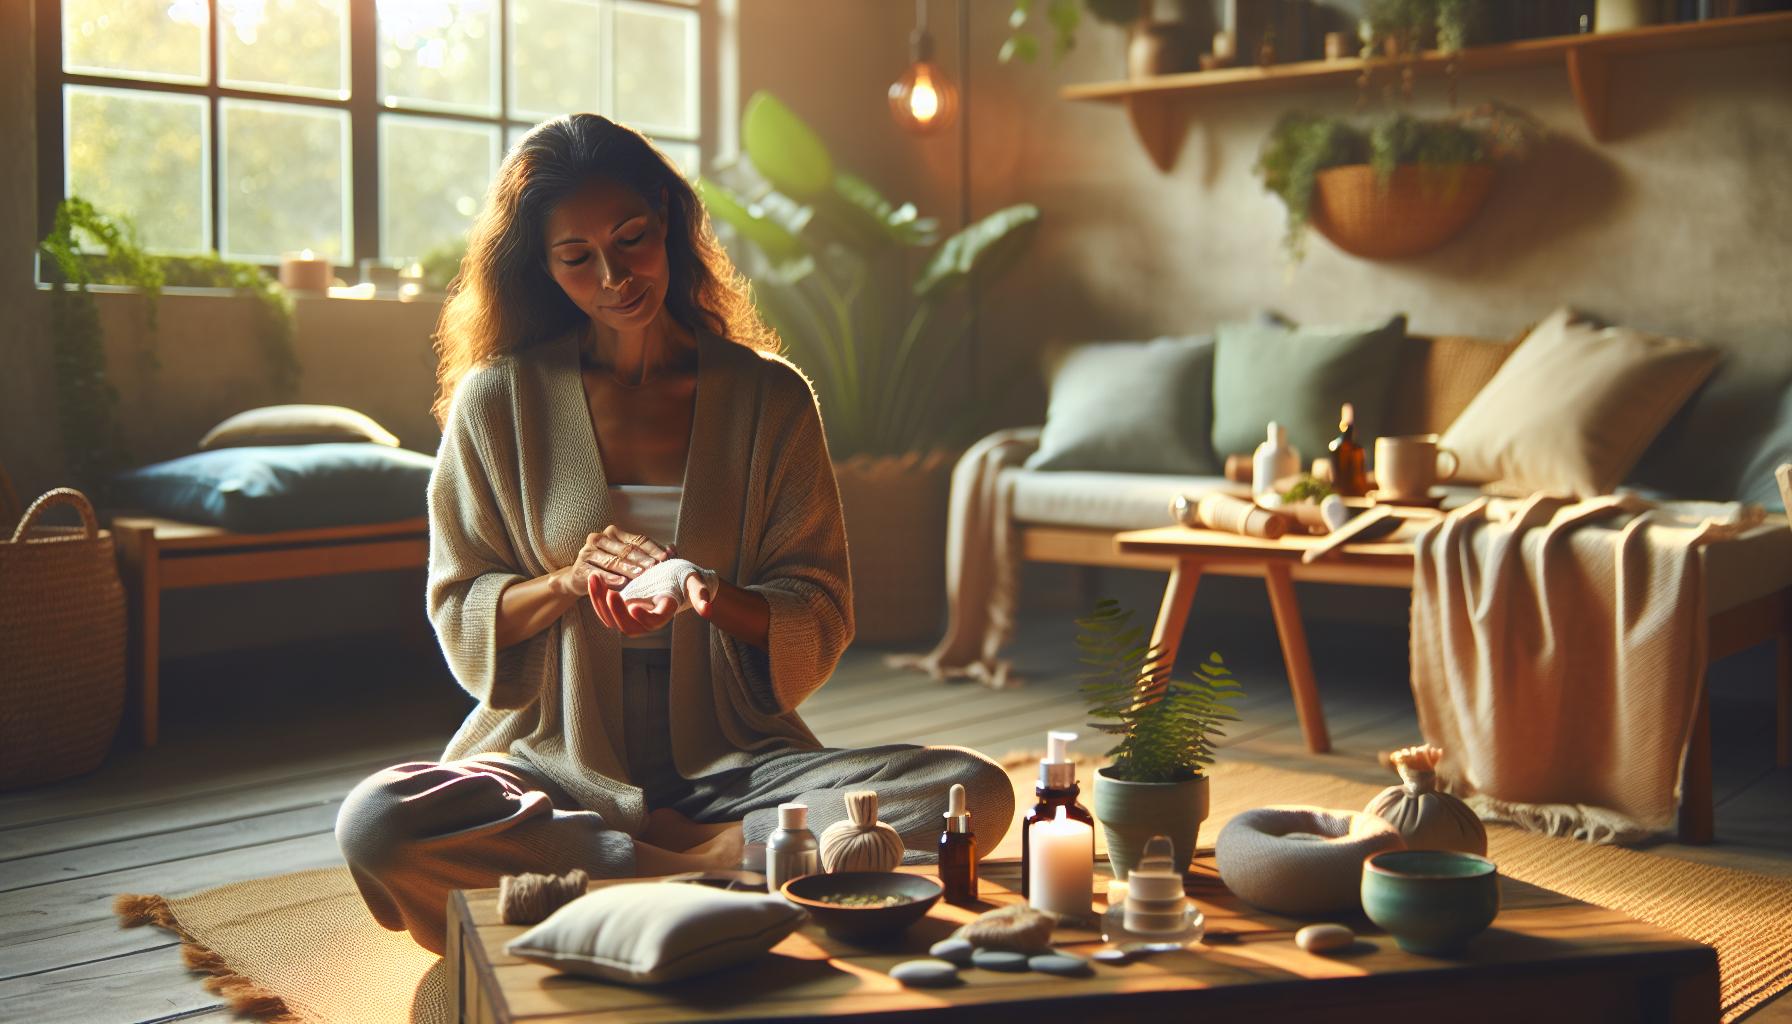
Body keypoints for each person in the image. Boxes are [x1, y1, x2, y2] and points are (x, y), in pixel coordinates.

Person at [334, 114, 1012, 954]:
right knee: (378, 824)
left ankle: (616, 880)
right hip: (551, 760)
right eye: (578, 258)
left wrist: (713, 596)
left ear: (666, 219)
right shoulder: (498, 401)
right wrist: (567, 582)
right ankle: (700, 869)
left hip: (736, 764)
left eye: (632, 239)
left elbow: (819, 604)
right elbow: (458, 603)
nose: (616, 276)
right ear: (543, 269)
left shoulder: (770, 400)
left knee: (971, 791)